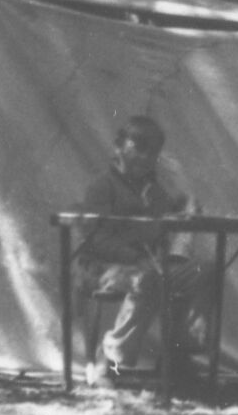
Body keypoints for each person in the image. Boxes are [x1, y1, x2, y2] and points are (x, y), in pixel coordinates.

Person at [74, 115, 207, 381]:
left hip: (144, 266)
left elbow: (166, 226)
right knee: (149, 278)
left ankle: (177, 352)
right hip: (102, 268)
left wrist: (183, 211)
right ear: (118, 147)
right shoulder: (102, 187)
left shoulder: (153, 191)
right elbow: (95, 238)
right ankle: (110, 359)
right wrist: (135, 257)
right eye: (140, 147)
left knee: (204, 272)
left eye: (153, 152)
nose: (146, 157)